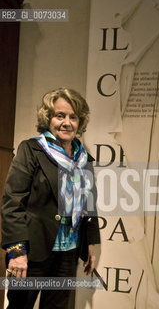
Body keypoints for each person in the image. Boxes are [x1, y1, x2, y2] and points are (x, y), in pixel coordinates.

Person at [1, 88, 100, 309]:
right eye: (60, 116)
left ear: (80, 121)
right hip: (33, 251)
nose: (67, 122)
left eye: (73, 117)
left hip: (68, 251)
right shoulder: (32, 150)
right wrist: (16, 252)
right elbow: (12, 202)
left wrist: (90, 243)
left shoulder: (85, 158)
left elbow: (89, 203)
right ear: (48, 119)